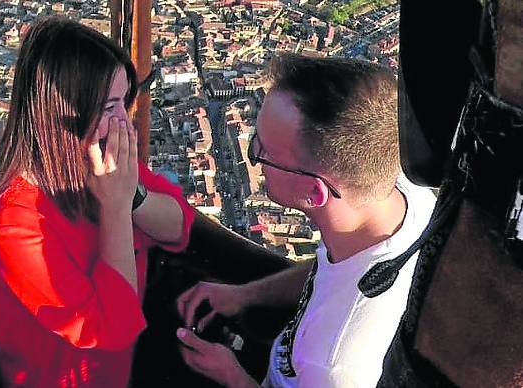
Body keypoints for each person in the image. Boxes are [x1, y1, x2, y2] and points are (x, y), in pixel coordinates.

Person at [176, 54, 436, 388]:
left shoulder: (335, 365)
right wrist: (245, 295)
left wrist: (233, 377)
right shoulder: (399, 193)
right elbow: (330, 275)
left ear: (314, 193)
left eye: (262, 153)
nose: (254, 161)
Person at [0, 16, 194, 387]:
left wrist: (130, 195)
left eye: (126, 102)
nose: (125, 122)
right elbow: (111, 330)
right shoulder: (10, 224)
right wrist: (116, 209)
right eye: (110, 107)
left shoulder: (97, 162)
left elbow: (177, 227)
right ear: (62, 116)